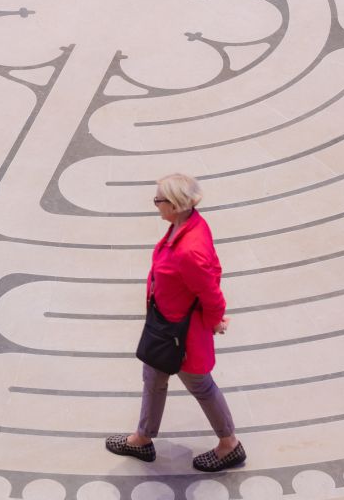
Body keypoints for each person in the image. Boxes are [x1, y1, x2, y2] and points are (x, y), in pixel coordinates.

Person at [105, 173, 245, 472]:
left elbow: (211, 293)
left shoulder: (189, 249)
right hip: (166, 325)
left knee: (201, 385)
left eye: (159, 199)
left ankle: (230, 444)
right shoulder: (186, 224)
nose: (155, 204)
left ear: (177, 204)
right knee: (153, 378)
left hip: (183, 335)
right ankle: (142, 439)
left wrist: (213, 322)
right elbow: (215, 268)